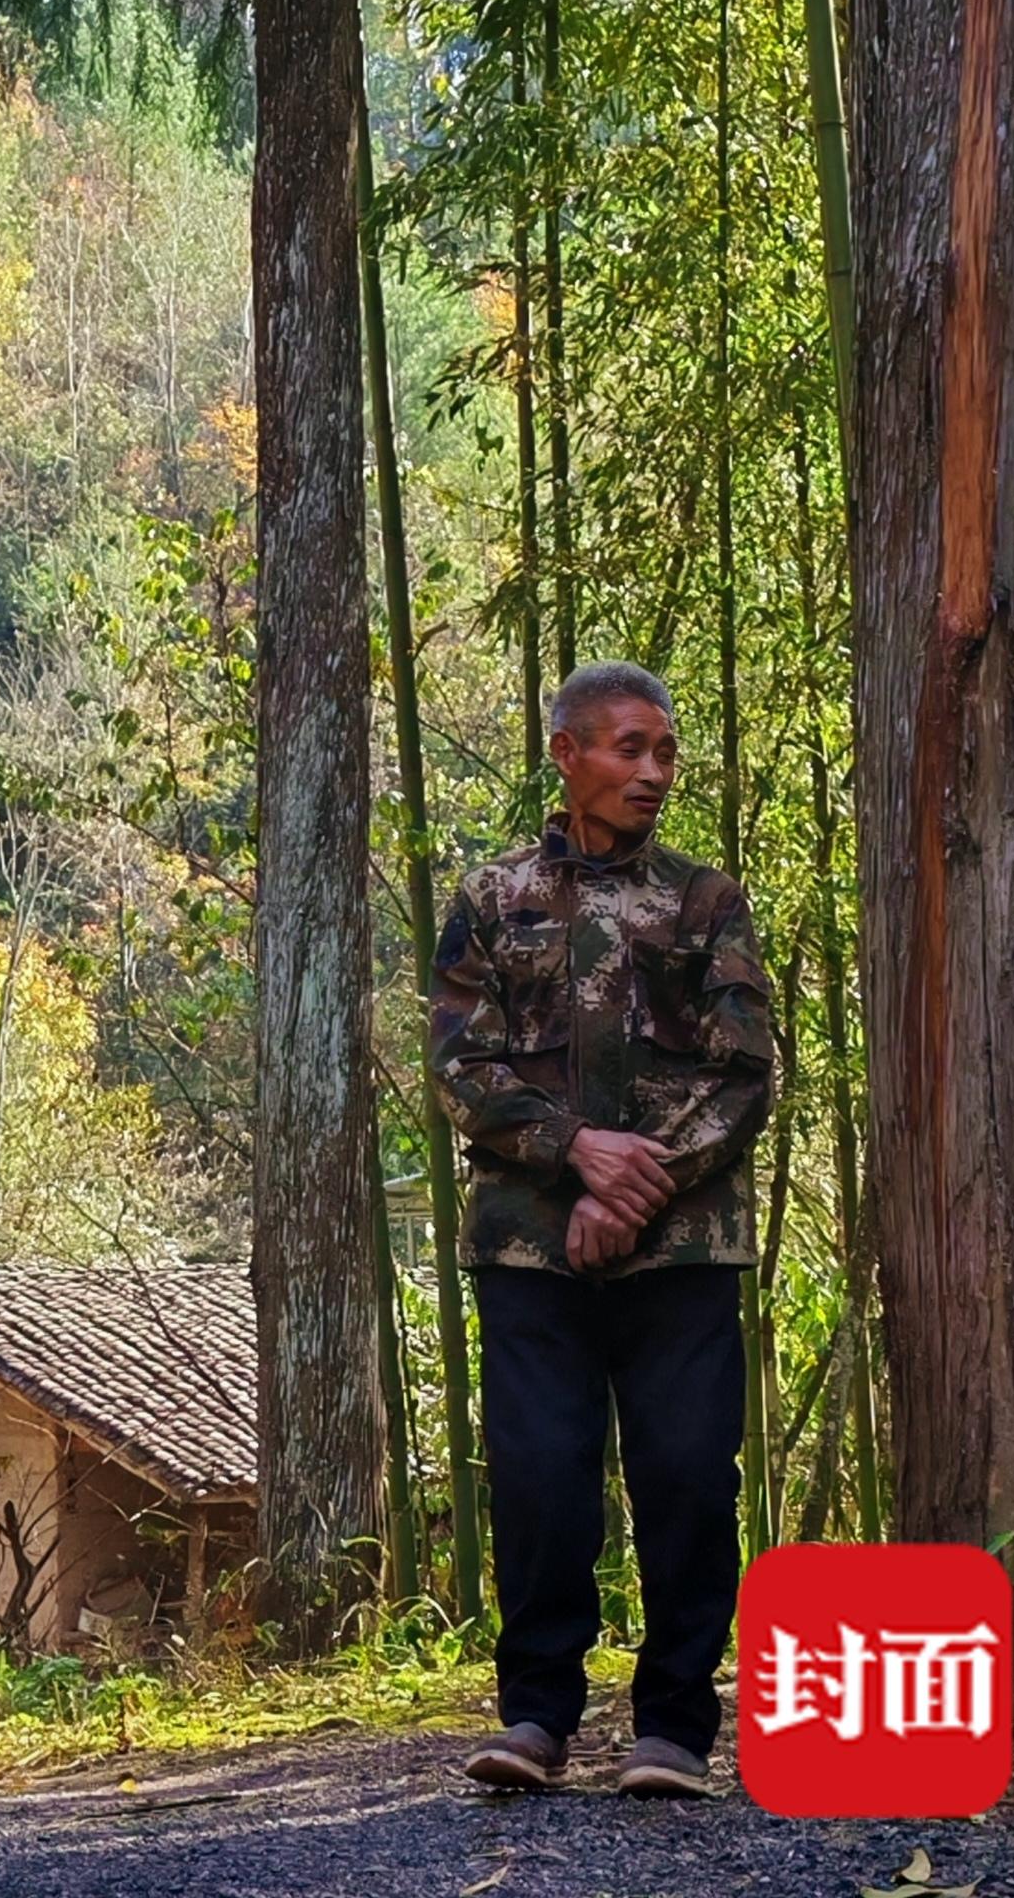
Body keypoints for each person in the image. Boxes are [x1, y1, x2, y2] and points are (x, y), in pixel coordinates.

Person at [431, 661, 773, 1799]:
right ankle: (534, 1717)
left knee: (687, 1477)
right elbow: (460, 1064)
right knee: (540, 1478)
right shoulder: (491, 899)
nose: (652, 771)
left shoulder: (706, 901)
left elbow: (742, 1075)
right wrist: (574, 1151)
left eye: (665, 751)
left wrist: (633, 1187)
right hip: (530, 1248)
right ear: (566, 753)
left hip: (681, 1248)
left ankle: (672, 1727)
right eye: (629, 748)